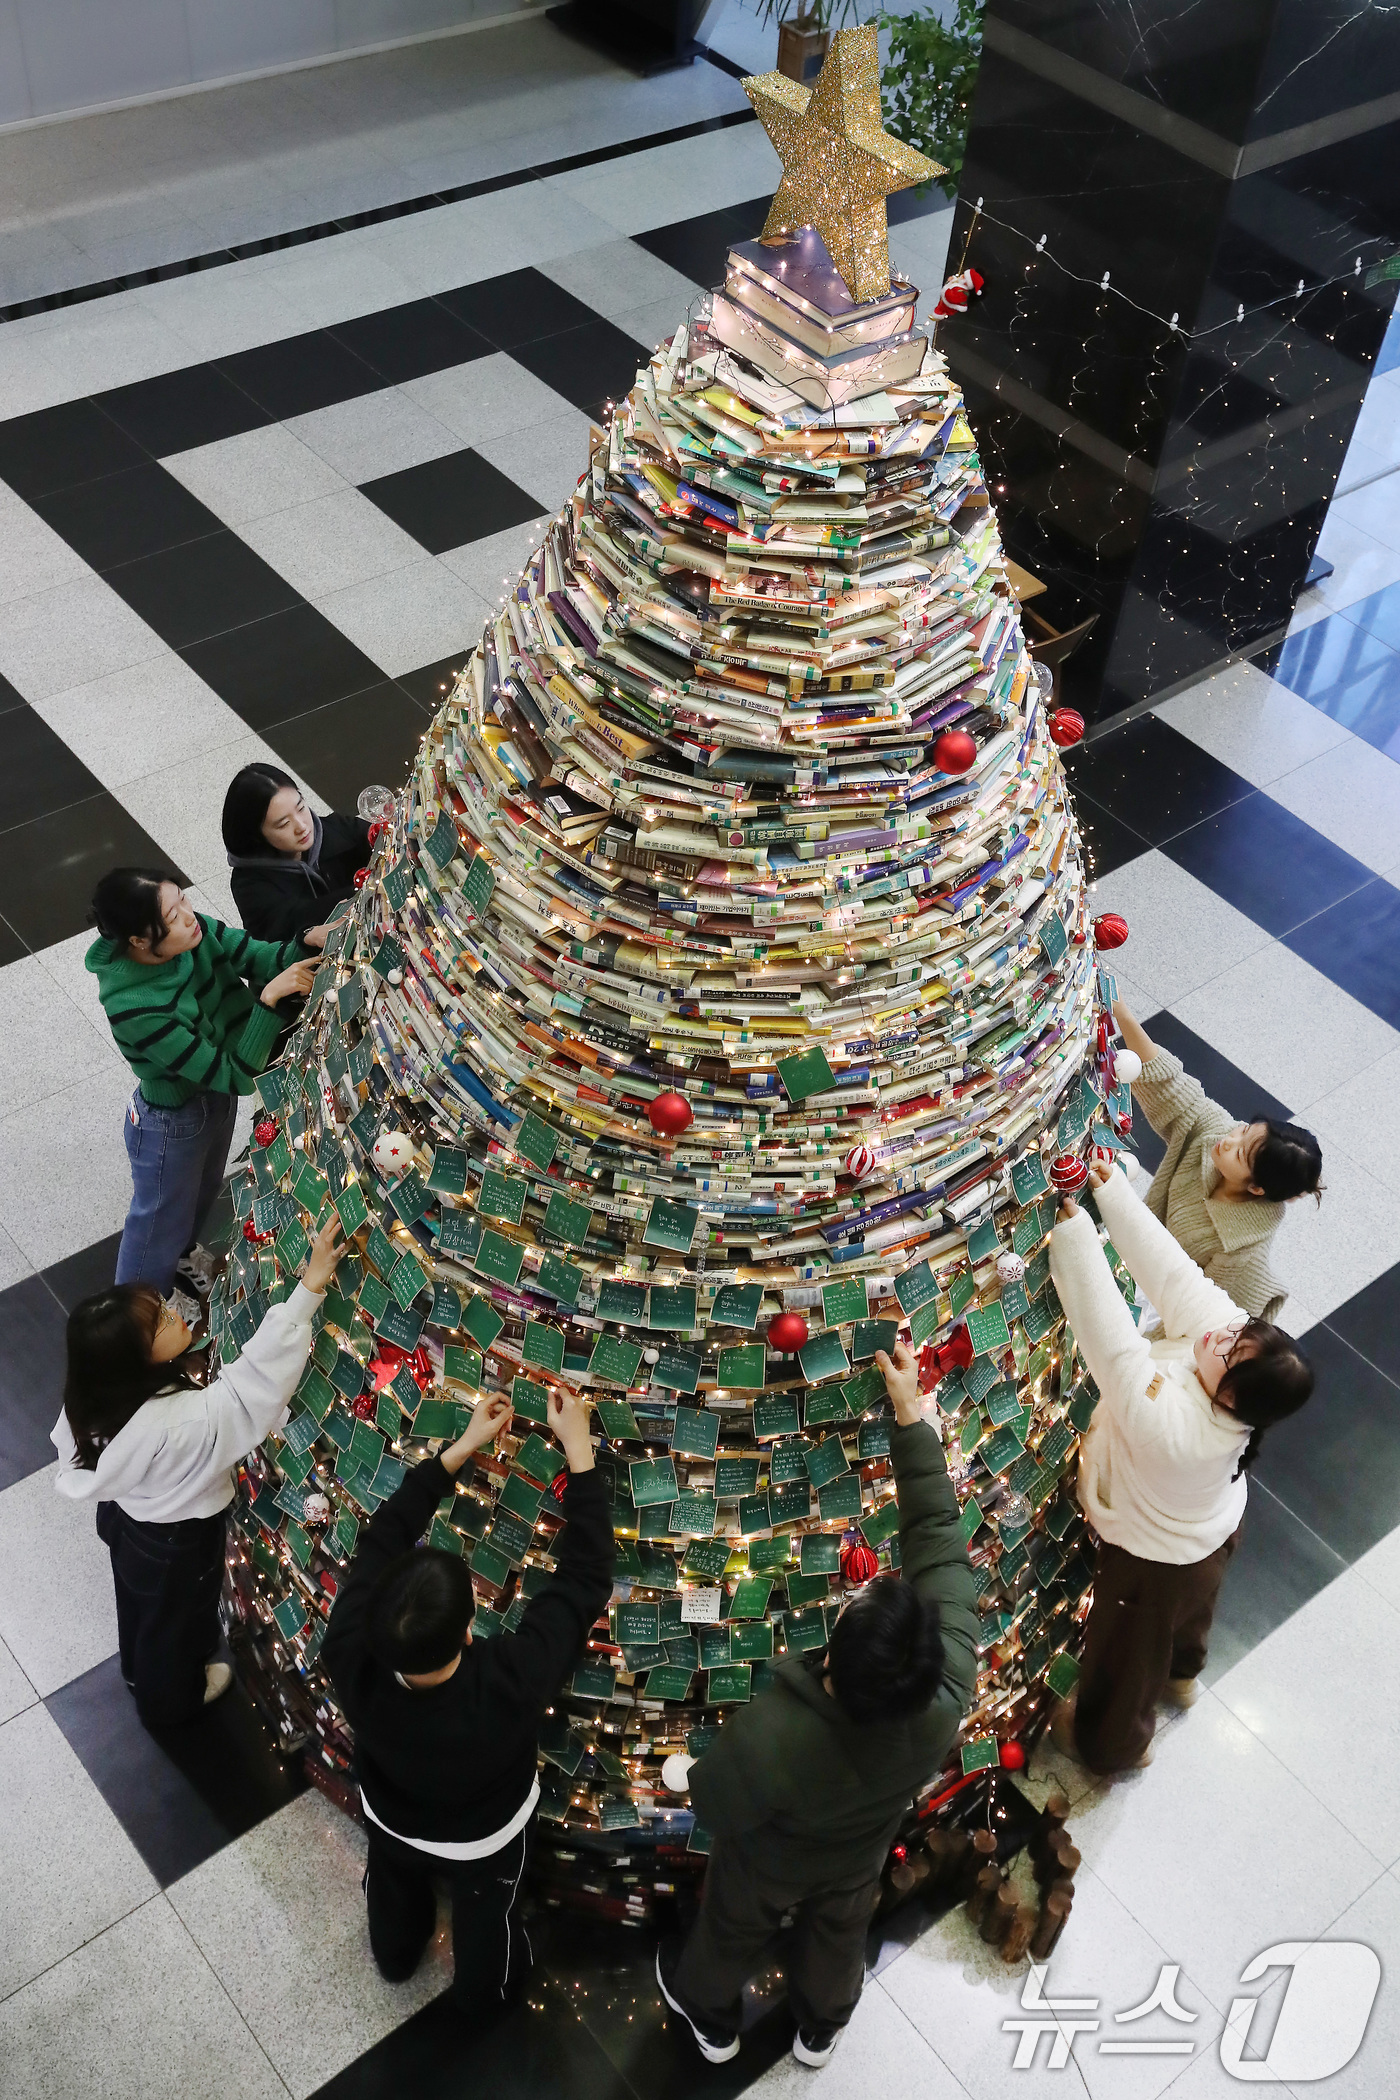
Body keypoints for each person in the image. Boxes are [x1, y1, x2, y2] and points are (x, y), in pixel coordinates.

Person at [654, 1340, 978, 2070]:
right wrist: (912, 1423)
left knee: (729, 1929)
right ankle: (822, 2027)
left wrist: (692, 1777)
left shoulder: (775, 1733)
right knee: (839, 1935)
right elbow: (940, 1546)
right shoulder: (947, 1685)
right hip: (858, 1855)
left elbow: (715, 1801)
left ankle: (709, 2016)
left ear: (832, 1656)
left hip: (767, 1865)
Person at [320, 1386, 613, 2017]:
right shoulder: (510, 1679)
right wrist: (581, 1457)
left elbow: (379, 1542)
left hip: (390, 1811)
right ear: (472, 1621)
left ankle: (395, 1954)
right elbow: (584, 1582)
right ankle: (487, 1994)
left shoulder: (349, 1651)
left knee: (393, 1881)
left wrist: (454, 1454)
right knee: (488, 1913)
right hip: (485, 1839)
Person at [1048, 1159, 1314, 1775]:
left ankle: (1113, 1747)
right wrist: (1111, 1192)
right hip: (1212, 1533)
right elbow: (1172, 1275)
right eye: (1237, 1335)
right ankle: (1182, 1675)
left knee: (1126, 1654)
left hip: (1155, 1563)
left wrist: (1077, 1236)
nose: (1218, 1340)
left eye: (1230, 1355)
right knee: (1188, 1620)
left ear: (1233, 1400)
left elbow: (1111, 1345)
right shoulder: (1230, 1354)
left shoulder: (1182, 1436)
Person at [53, 1213, 345, 1727]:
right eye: (161, 1323)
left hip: (128, 1525)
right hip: (179, 1545)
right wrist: (308, 1290)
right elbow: (249, 1387)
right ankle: (170, 1703)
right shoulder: (180, 1425)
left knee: (140, 1606)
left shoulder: (91, 1399)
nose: (176, 1311)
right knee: (179, 1626)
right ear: (134, 1360)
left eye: (162, 1306)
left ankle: (138, 1672)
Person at [87, 869, 318, 1299]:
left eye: (183, 901)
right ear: (138, 940)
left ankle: (179, 1257)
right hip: (171, 1121)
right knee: (156, 1221)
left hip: (212, 1098)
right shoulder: (137, 1007)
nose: (189, 917)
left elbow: (256, 955)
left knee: (202, 1192)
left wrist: (306, 942)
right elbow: (236, 1075)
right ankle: (143, 1315)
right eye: (172, 917)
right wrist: (268, 1000)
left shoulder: (191, 933)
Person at [1112, 999, 1322, 1322]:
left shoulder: (1243, 1255)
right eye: (1244, 1130)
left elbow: (1203, 1320)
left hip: (1145, 1308)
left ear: (1255, 1188)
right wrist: (1120, 1010)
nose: (1229, 1141)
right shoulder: (1217, 1131)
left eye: (1240, 1153)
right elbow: (1168, 1084)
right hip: (1122, 1251)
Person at [222, 764, 371, 947]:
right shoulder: (250, 886)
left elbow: (381, 839)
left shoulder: (334, 829)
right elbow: (294, 922)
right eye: (283, 824)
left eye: (301, 808)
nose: (302, 826)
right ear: (257, 835)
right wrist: (365, 887)